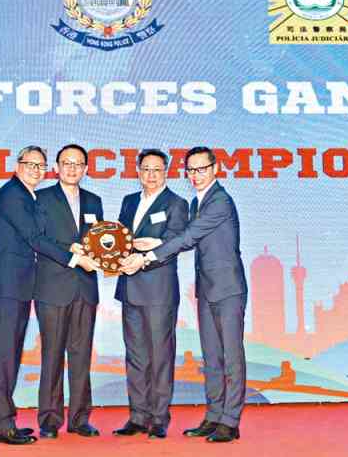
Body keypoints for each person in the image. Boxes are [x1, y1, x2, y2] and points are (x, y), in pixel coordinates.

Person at [123, 146, 248, 443]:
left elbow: (188, 236)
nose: (195, 175)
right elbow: (189, 239)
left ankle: (230, 421)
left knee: (231, 357)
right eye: (191, 170)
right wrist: (155, 242)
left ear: (215, 169)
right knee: (212, 357)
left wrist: (148, 256)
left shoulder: (220, 201)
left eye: (201, 169)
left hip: (228, 289)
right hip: (206, 290)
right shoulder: (197, 201)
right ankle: (214, 415)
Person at [0, 145, 98, 445]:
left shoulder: (25, 195)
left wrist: (74, 249)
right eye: (29, 164)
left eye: (38, 165)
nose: (35, 169)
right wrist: (73, 257)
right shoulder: (14, 196)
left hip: (18, 287)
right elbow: (35, 238)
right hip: (7, 287)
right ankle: (0, 426)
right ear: (17, 165)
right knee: (5, 355)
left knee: (7, 355)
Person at [113, 149, 188, 439]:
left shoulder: (176, 203)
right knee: (135, 356)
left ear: (166, 172)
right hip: (130, 288)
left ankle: (158, 418)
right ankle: (137, 416)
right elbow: (120, 238)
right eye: (146, 169)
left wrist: (152, 246)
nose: (151, 175)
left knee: (160, 356)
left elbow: (176, 241)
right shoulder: (129, 201)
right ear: (138, 171)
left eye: (157, 169)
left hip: (159, 292)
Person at [34, 144, 103, 439]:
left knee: (81, 356)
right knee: (51, 355)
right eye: (66, 163)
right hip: (52, 287)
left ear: (86, 169)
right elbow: (38, 239)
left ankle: (79, 418)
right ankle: (49, 420)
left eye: (78, 164)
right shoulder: (41, 198)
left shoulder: (94, 200)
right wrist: (70, 252)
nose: (72, 168)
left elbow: (101, 240)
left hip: (85, 288)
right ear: (57, 167)